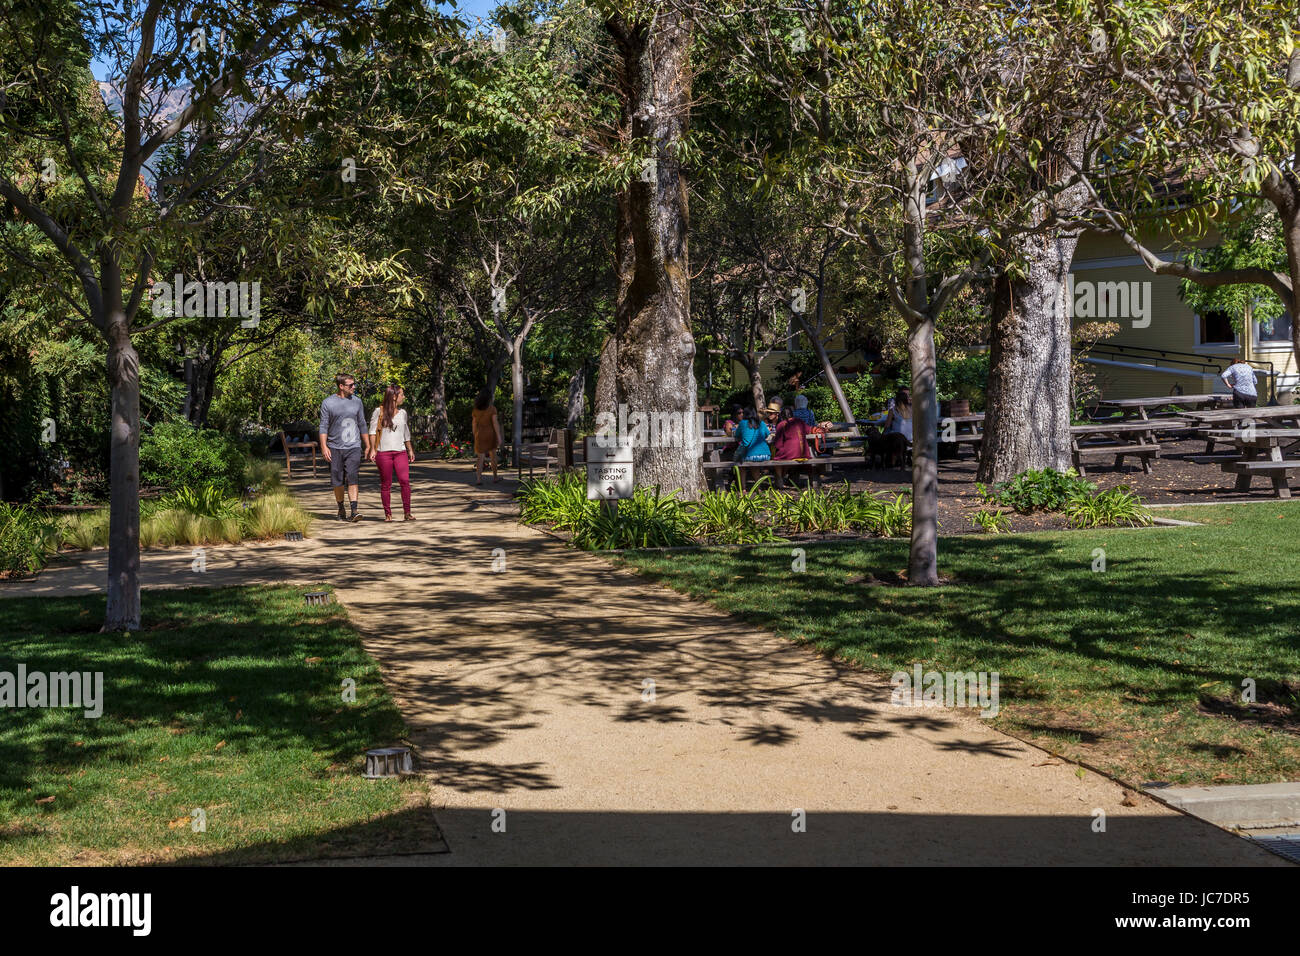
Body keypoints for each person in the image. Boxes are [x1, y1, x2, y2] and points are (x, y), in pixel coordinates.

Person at [319, 373, 371, 522]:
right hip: (334, 447)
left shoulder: (357, 402)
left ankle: (354, 510)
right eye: (350, 385)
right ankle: (341, 507)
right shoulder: (328, 403)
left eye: (354, 384)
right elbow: (323, 426)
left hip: (353, 446)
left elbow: (362, 423)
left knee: (353, 476)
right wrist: (324, 446)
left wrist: (368, 445)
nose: (354, 387)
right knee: (337, 480)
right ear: (341, 386)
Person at [368, 384, 416, 521]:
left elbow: (406, 433)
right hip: (383, 453)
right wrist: (372, 449)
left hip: (400, 452)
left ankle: (407, 512)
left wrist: (410, 449)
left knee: (405, 481)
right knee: (386, 484)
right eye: (401, 394)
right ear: (394, 396)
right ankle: (388, 514)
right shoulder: (379, 411)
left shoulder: (403, 413)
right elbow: (372, 432)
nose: (403, 397)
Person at [870, 388, 913, 469]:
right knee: (894, 437)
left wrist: (881, 435)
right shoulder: (913, 409)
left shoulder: (893, 410)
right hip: (911, 437)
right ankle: (900, 460)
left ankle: (890, 461)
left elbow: (887, 425)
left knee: (888, 436)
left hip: (898, 438)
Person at [772, 405, 812, 488]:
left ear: (781, 416)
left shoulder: (781, 424)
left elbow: (778, 444)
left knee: (776, 459)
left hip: (790, 453)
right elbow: (809, 430)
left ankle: (779, 480)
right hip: (804, 452)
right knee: (784, 456)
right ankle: (810, 478)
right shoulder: (799, 421)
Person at [471, 389, 504, 484]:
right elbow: (495, 424)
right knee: (493, 456)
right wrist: (499, 436)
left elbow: (474, 424)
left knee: (480, 458)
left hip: (479, 435)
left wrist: (475, 434)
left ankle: (478, 479)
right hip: (491, 435)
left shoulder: (475, 410)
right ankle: (495, 477)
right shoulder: (492, 409)